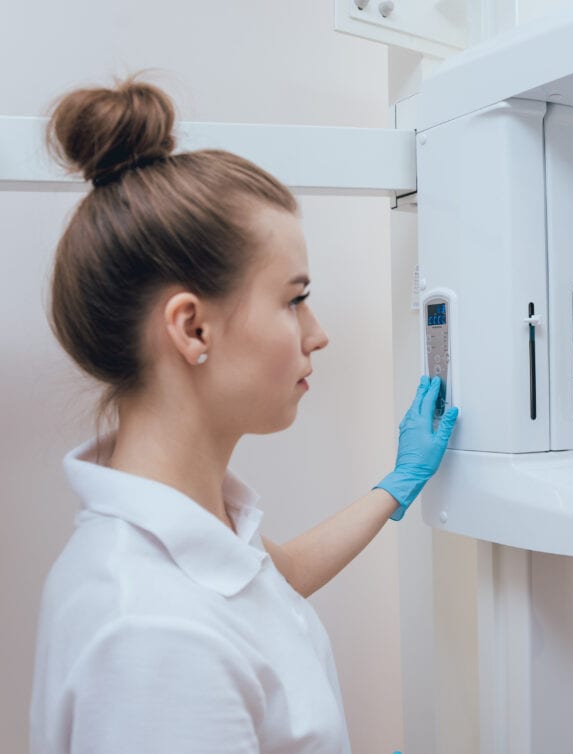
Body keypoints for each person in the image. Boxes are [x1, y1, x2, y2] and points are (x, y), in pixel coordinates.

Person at [29, 79, 458, 754]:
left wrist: (398, 483)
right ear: (192, 328)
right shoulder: (153, 637)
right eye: (294, 300)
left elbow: (270, 579)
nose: (316, 334)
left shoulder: (183, 534)